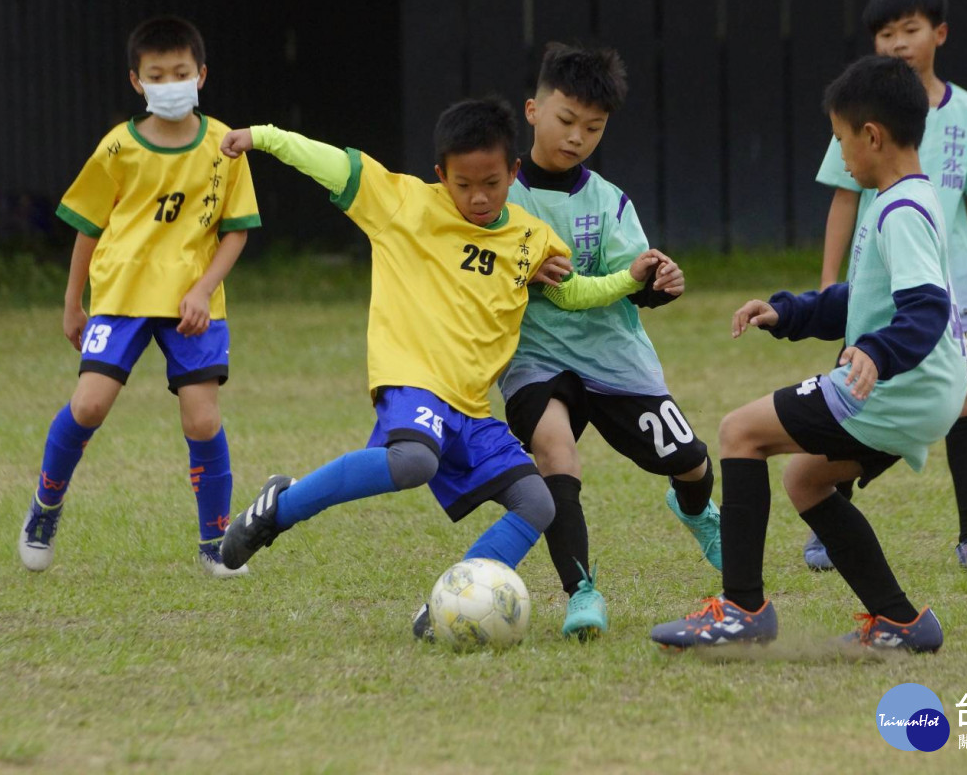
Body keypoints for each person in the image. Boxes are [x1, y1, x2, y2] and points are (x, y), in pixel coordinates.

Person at [214, 98, 677, 639]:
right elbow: (330, 161)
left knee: (536, 502)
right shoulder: (402, 203)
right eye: (462, 185)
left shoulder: (530, 239)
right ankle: (279, 506)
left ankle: (445, 606)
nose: (477, 197)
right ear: (441, 175)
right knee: (412, 461)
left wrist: (629, 280)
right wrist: (263, 136)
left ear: (514, 173)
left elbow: (571, 293)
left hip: (471, 406)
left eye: (491, 182)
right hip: (413, 380)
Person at [651, 55, 967, 652]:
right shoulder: (907, 198)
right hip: (926, 390)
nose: (840, 151)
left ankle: (742, 609)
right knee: (805, 482)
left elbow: (925, 308)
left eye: (841, 137)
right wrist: (790, 313)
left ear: (871, 136)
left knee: (739, 432)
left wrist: (877, 351)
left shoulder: (899, 210)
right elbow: (865, 298)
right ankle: (900, 620)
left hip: (898, 386)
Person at [18, 16, 261, 577]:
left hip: (192, 307)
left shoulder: (225, 146)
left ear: (200, 75)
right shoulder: (118, 147)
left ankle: (215, 543)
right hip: (122, 296)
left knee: (202, 420)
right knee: (89, 405)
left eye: (180, 72)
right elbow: (86, 225)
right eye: (158, 74)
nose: (170, 82)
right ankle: (44, 509)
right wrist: (72, 302)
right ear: (137, 81)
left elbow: (236, 231)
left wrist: (204, 288)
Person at [500, 42, 721, 640]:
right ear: (532, 110)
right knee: (554, 452)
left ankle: (696, 509)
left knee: (693, 462)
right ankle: (581, 594)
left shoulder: (608, 200)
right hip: (535, 359)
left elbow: (635, 278)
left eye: (592, 128)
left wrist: (660, 282)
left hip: (615, 359)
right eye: (566, 120)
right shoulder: (500, 197)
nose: (576, 137)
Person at [807, 0, 967, 573]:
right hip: (875, 290)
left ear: (939, 34)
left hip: (952, 295)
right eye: (885, 34)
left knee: (963, 401)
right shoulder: (858, 114)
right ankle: (826, 518)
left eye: (910, 30)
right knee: (854, 393)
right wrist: (827, 283)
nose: (898, 44)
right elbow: (844, 200)